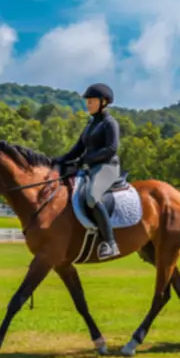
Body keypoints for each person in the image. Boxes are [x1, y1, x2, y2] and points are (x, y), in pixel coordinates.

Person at [55, 83, 123, 260]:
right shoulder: (91, 124)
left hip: (108, 167)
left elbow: (111, 149)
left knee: (92, 197)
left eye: (92, 101)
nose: (88, 104)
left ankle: (110, 243)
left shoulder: (110, 123)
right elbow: (78, 148)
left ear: (104, 102)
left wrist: (86, 159)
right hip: (91, 168)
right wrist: (59, 160)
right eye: (88, 101)